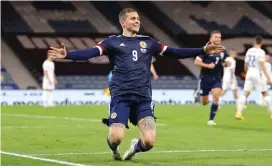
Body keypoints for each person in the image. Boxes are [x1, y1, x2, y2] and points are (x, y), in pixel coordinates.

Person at [48, 8, 224, 161]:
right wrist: (68, 55)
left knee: (149, 142)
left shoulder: (149, 42)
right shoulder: (112, 41)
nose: (137, 20)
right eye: (133, 18)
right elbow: (90, 53)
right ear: (123, 22)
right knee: (116, 138)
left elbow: (175, 52)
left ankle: (134, 148)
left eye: (138, 18)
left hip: (143, 98)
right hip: (121, 96)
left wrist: (202, 50)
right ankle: (115, 150)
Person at [194, 30, 230, 126]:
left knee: (216, 97)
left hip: (217, 78)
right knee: (204, 102)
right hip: (205, 78)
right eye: (216, 37)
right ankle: (198, 93)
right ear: (211, 38)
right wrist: (207, 65)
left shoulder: (222, 50)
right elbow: (196, 62)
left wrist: (226, 64)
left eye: (219, 37)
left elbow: (223, 61)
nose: (218, 39)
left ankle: (211, 120)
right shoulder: (205, 49)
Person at [236, 36, 272, 120]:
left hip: (249, 73)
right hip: (257, 73)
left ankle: (238, 113)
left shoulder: (249, 51)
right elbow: (262, 65)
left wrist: (246, 71)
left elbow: (245, 64)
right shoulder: (261, 52)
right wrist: (267, 77)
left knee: (245, 93)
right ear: (261, 42)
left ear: (254, 42)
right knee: (265, 93)